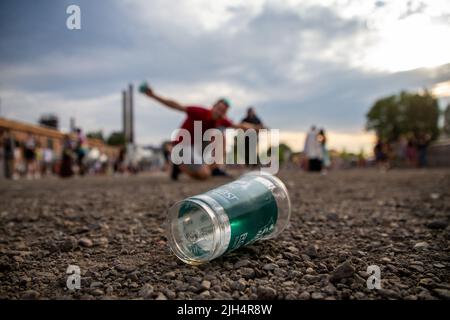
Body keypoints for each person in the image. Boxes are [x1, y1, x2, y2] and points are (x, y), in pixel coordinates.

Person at [140, 84, 263, 180]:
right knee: (204, 175)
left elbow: (240, 126)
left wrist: (258, 128)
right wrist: (154, 95)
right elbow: (175, 105)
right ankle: (179, 165)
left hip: (197, 148)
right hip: (183, 145)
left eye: (223, 111)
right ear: (213, 106)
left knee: (220, 136)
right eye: (218, 108)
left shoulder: (221, 120)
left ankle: (207, 168)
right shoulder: (199, 112)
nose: (219, 112)